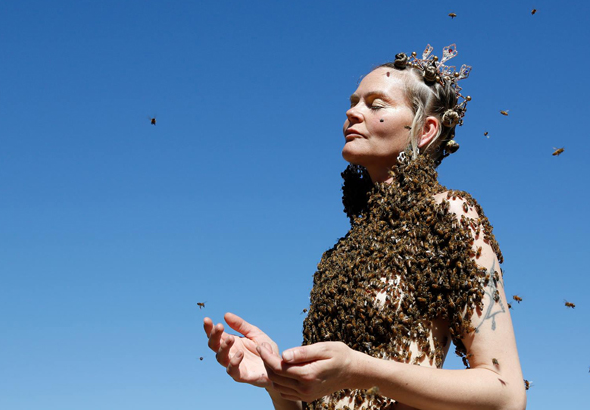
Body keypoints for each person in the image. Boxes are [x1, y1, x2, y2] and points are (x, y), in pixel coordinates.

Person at [204, 45, 526, 410]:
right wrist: (277, 382)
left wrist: (361, 369)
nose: (351, 112)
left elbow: (506, 394)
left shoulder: (450, 214)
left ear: (425, 130)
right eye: (353, 101)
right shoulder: (341, 254)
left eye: (375, 104)